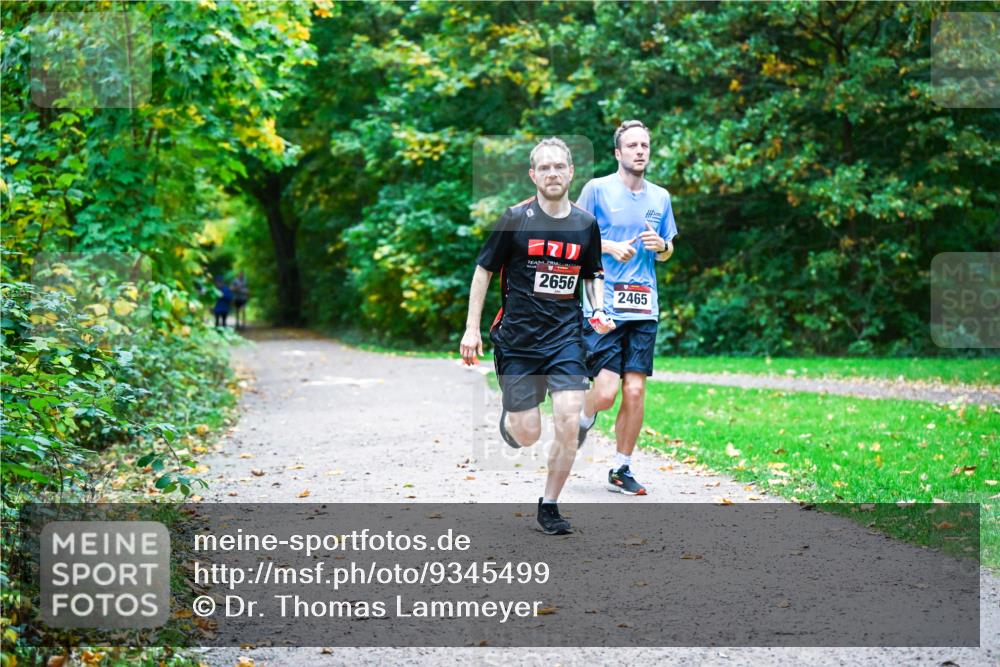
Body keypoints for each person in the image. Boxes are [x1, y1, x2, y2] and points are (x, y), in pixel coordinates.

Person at [460, 137, 615, 535]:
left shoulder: (585, 223)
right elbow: (483, 271)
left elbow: (593, 272)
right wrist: (471, 328)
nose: (552, 173)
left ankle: (550, 504)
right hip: (519, 341)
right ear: (533, 174)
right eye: (544, 167)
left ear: (570, 172)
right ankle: (511, 421)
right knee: (527, 433)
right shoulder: (514, 219)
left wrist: (598, 307)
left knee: (567, 419)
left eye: (558, 166)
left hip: (565, 338)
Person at [576, 120, 678, 496]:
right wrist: (606, 247)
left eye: (645, 145)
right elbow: (573, 238)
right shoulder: (597, 190)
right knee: (604, 392)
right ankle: (582, 421)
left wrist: (661, 246)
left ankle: (621, 467)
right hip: (601, 302)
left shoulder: (660, 198)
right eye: (632, 145)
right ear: (618, 153)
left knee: (634, 391)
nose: (640, 151)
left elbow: (668, 251)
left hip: (643, 304)